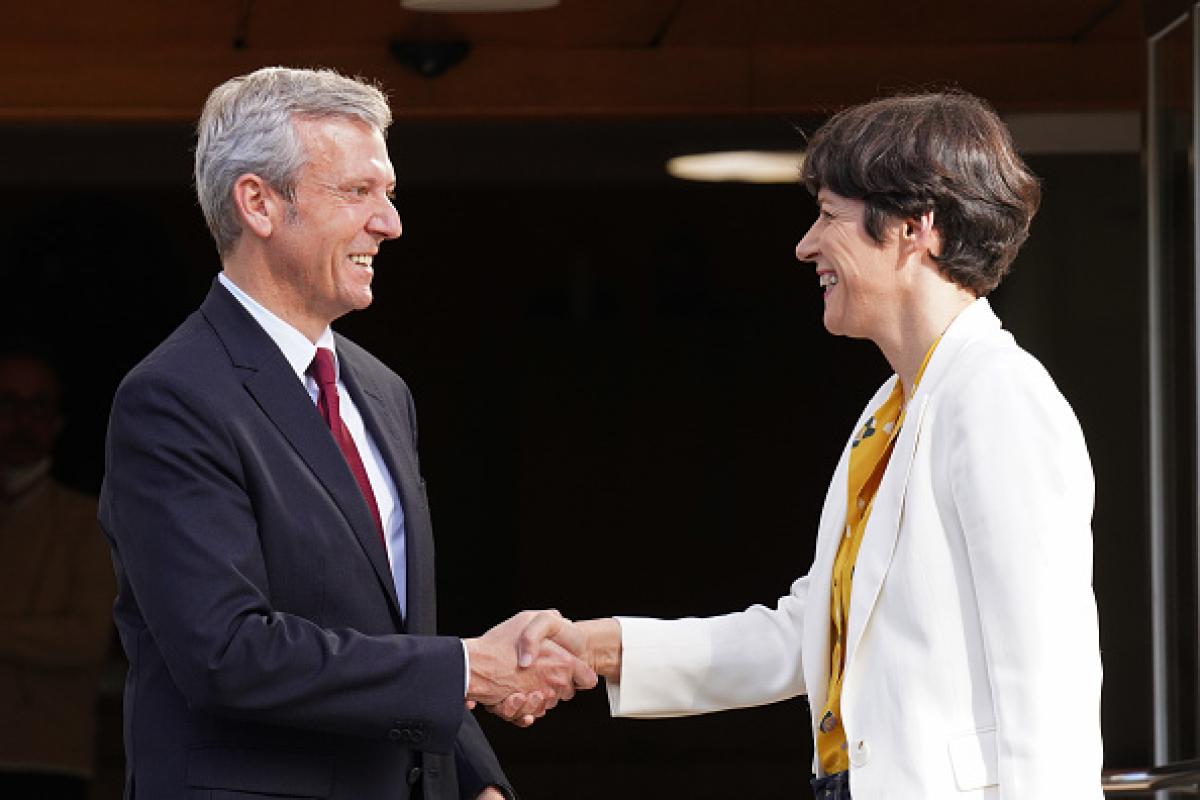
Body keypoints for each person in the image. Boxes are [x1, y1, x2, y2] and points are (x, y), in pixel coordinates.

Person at [514, 92, 1104, 799]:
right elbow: (812, 632)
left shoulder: (998, 399)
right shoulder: (890, 408)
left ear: (916, 229)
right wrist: (602, 646)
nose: (805, 245)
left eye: (829, 215)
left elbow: (1048, 677)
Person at [98, 66, 593, 800]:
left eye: (386, 194)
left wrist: (474, 779)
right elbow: (226, 652)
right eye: (358, 192)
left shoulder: (382, 391)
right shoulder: (171, 398)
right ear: (259, 203)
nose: (389, 222)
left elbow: (390, 633)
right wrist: (470, 669)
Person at [0, 350, 115, 800]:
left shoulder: (88, 522)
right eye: (9, 404)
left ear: (56, 422)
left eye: (38, 407)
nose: (23, 421)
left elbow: (84, 638)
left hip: (47, 759)